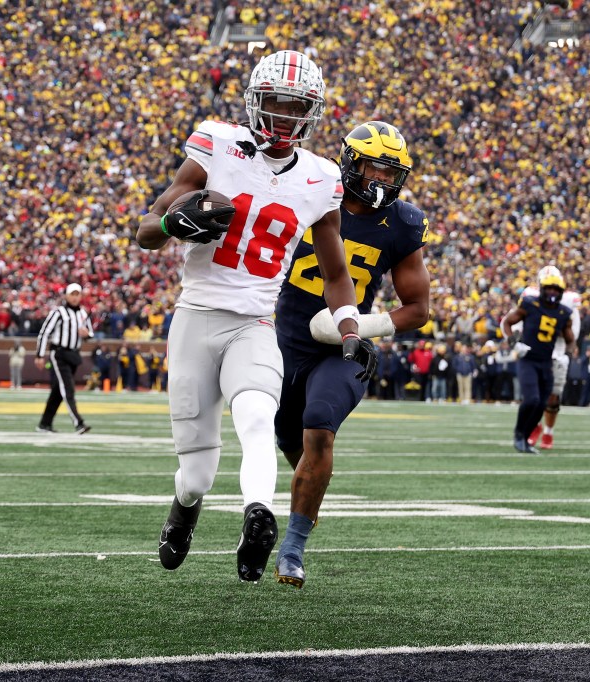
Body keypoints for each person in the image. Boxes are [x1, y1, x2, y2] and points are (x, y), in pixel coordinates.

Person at [136, 50, 363, 583]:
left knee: (259, 420)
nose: (284, 117)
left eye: (296, 107)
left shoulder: (321, 177)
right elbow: (145, 230)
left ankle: (257, 516)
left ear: (312, 112)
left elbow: (335, 273)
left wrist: (350, 327)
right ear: (255, 103)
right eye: (276, 105)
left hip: (255, 321)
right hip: (195, 317)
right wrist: (174, 221)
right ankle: (185, 507)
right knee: (197, 472)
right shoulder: (217, 144)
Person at [271, 121, 430, 588]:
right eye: (373, 169)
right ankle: (305, 499)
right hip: (283, 335)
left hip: (345, 344)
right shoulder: (314, 193)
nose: (381, 181)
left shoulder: (402, 223)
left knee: (319, 427)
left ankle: (293, 549)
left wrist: (362, 326)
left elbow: (418, 309)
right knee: (286, 437)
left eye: (390, 173)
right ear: (349, 161)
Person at [501, 268, 575, 454]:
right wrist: (514, 343)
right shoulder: (529, 304)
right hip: (529, 360)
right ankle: (519, 434)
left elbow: (570, 338)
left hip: (547, 361)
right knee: (532, 399)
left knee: (542, 404)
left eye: (556, 290)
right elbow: (506, 322)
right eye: (549, 288)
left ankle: (525, 438)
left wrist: (568, 352)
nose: (552, 293)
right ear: (542, 288)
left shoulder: (563, 313)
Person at [522, 266, 581, 449]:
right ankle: (534, 426)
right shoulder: (530, 299)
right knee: (533, 395)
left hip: (557, 352)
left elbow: (574, 331)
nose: (551, 291)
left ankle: (548, 431)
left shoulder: (568, 303)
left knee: (553, 397)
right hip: (535, 351)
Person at [34, 283, 93, 434]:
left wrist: (86, 334)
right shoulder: (59, 312)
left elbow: (90, 333)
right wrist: (40, 355)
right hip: (59, 353)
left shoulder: (83, 314)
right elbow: (44, 332)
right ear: (66, 295)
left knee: (58, 391)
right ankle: (78, 423)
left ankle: (44, 424)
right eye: (72, 294)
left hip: (73, 355)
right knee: (67, 388)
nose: (74, 297)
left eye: (77, 294)